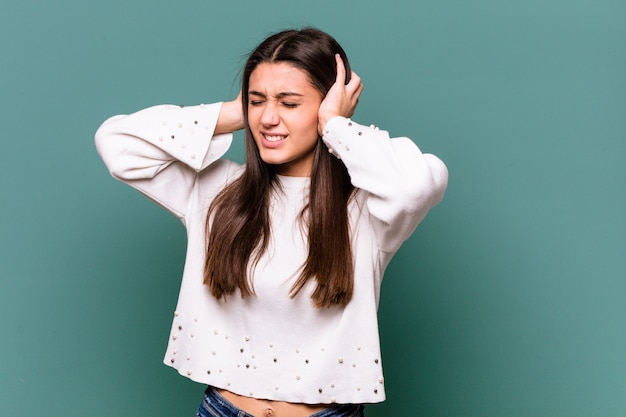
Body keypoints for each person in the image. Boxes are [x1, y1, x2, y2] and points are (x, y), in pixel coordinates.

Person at [95, 28, 448, 417]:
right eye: (257, 99)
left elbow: (414, 187)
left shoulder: (367, 207)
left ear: (330, 102)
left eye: (290, 103)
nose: (269, 118)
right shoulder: (215, 191)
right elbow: (117, 144)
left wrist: (334, 125)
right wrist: (234, 113)